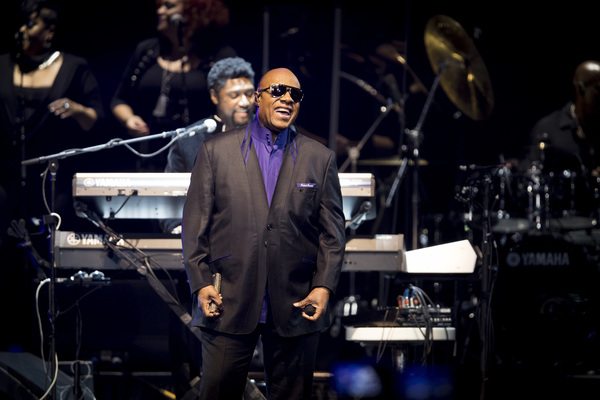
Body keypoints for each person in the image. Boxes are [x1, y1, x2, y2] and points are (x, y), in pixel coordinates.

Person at [181, 68, 346, 399]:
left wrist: (323, 286)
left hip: (296, 303)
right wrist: (200, 282)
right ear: (258, 97)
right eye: (279, 90)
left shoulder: (320, 158)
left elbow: (333, 233)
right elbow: (195, 224)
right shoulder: (216, 151)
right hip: (227, 300)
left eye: (296, 94)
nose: (288, 98)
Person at [0, 0, 103, 350]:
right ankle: (8, 341)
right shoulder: (5, 65)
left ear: (49, 30)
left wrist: (75, 108)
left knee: (48, 254)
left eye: (30, 23)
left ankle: (47, 342)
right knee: (6, 254)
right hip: (7, 179)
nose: (22, 30)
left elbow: (95, 119)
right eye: (20, 23)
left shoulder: (73, 67)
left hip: (50, 180)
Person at [111, 0, 236, 172]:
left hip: (202, 154)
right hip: (150, 155)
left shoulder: (218, 55)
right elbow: (119, 99)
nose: (160, 11)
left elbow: (236, 105)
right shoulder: (147, 50)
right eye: (159, 6)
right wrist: (129, 119)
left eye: (169, 6)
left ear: (193, 11)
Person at [162, 56, 256, 234]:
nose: (244, 102)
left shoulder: (270, 133)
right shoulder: (188, 139)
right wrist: (177, 227)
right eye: (235, 95)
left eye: (249, 94)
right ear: (214, 96)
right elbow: (169, 197)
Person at [519, 60, 600, 228]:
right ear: (580, 89)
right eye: (599, 89)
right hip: (560, 229)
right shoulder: (548, 129)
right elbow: (529, 183)